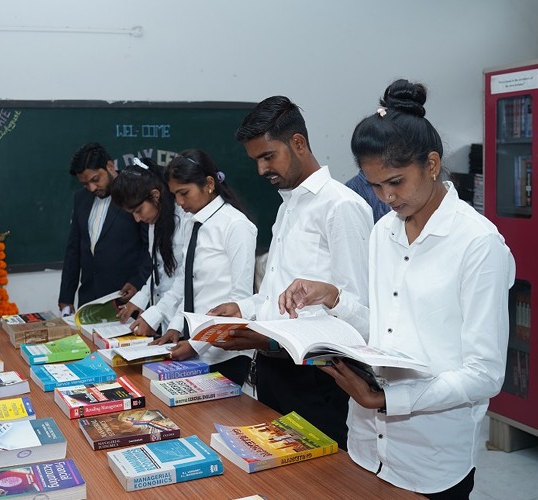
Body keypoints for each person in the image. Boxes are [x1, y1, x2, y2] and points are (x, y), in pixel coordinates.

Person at [279, 80, 515, 498]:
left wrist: (389, 401)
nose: (387, 197)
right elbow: (383, 329)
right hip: (366, 445)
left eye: (396, 182)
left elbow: (484, 374)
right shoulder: (384, 230)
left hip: (431, 456)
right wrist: (334, 298)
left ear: (432, 163)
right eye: (374, 185)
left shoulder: (478, 244)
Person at [209, 96, 373, 448]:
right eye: (256, 160)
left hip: (317, 380)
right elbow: (277, 296)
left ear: (298, 143)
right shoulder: (288, 206)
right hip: (273, 371)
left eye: (268, 156)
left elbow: (355, 313)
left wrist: (267, 338)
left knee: (316, 484)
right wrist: (244, 310)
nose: (261, 170)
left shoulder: (341, 206)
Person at [151, 149, 257, 386]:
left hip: (226, 351)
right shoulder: (193, 223)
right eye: (175, 195)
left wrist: (197, 343)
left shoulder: (236, 226)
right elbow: (187, 281)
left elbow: (240, 299)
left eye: (184, 193)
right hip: (194, 347)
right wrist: (176, 326)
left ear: (209, 184)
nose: (179, 202)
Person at [58, 143, 151, 312]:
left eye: (95, 179)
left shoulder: (134, 190)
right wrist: (66, 297)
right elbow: (74, 249)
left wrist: (138, 282)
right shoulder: (81, 198)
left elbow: (150, 247)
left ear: (110, 166)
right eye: (85, 184)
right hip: (88, 301)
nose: (92, 188)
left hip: (126, 299)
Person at [111, 157, 188, 336]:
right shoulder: (155, 222)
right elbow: (158, 272)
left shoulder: (185, 219)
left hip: (182, 322)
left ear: (155, 195)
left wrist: (155, 314)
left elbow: (185, 279)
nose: (137, 219)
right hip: (165, 320)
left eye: (138, 211)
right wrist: (139, 300)